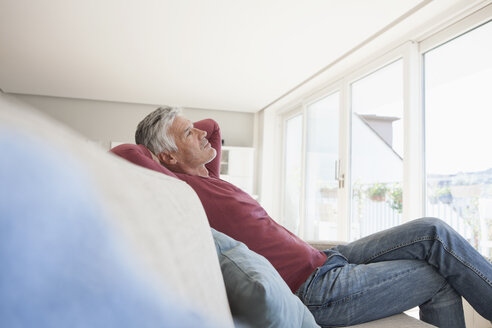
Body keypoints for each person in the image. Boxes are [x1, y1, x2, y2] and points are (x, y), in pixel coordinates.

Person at [134, 106, 492, 328]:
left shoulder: (207, 178)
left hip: (329, 258)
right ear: (164, 158)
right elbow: (127, 153)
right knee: (441, 277)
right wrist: (156, 143)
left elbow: (210, 127)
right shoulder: (182, 190)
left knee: (433, 230)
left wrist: (182, 131)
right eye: (187, 133)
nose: (199, 132)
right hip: (317, 290)